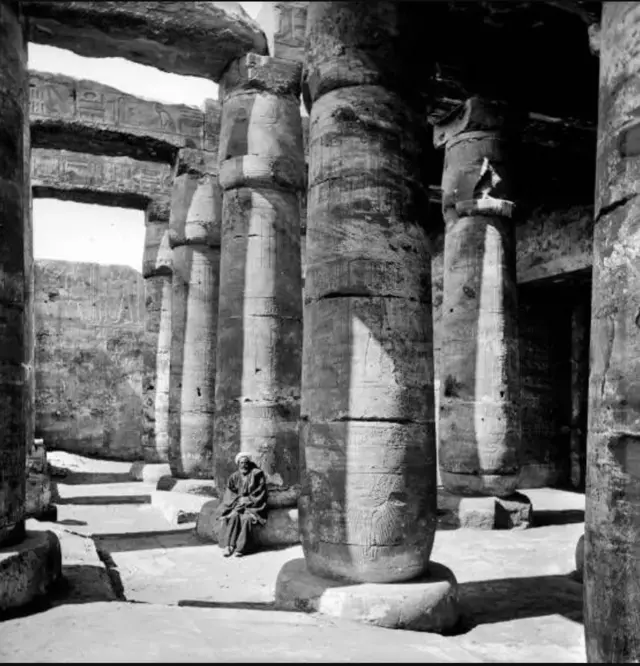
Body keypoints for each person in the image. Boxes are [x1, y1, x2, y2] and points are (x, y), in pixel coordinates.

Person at [216, 452, 268, 558]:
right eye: (241, 463)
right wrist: (237, 502)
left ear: (249, 463)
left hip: (253, 507)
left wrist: (248, 499)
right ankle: (229, 545)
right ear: (238, 464)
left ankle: (241, 548)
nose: (244, 465)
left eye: (246, 462)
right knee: (234, 517)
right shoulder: (234, 477)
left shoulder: (257, 474)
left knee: (246, 519)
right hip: (238, 505)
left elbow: (261, 492)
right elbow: (229, 494)